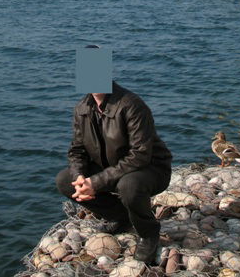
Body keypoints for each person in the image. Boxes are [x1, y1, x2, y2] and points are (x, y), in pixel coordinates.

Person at [55, 78, 172, 265]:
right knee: (65, 180)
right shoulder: (82, 108)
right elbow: (77, 150)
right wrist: (80, 178)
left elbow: (140, 155)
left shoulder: (132, 105)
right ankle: (120, 216)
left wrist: (95, 183)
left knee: (129, 186)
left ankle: (149, 233)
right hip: (111, 169)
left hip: (150, 169)